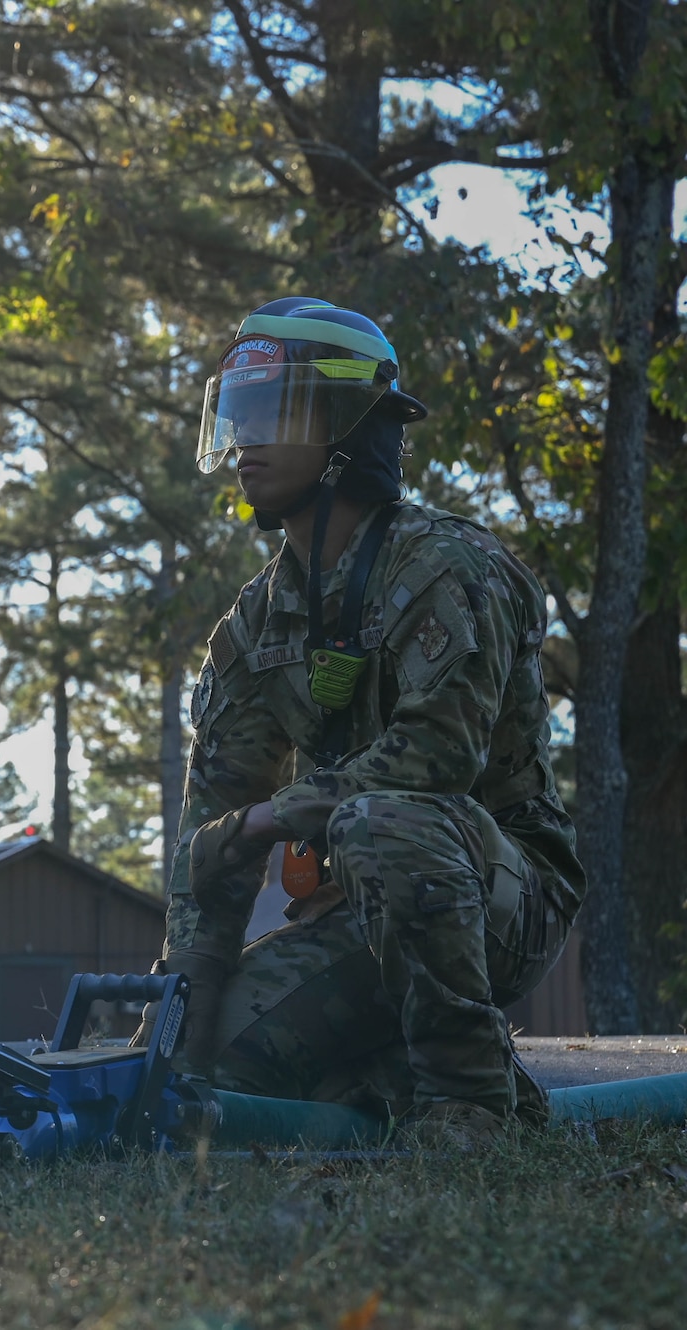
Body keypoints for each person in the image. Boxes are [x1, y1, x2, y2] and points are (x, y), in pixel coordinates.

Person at [154, 296, 584, 1143]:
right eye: (236, 417)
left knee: (381, 818)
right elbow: (211, 837)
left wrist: (276, 816)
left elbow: (435, 764)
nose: (246, 443)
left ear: (350, 424)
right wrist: (173, 1030)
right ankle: (385, 1073)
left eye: (273, 414)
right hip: (355, 911)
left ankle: (471, 1106)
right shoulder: (251, 625)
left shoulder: (448, 565)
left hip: (500, 895)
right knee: (208, 1072)